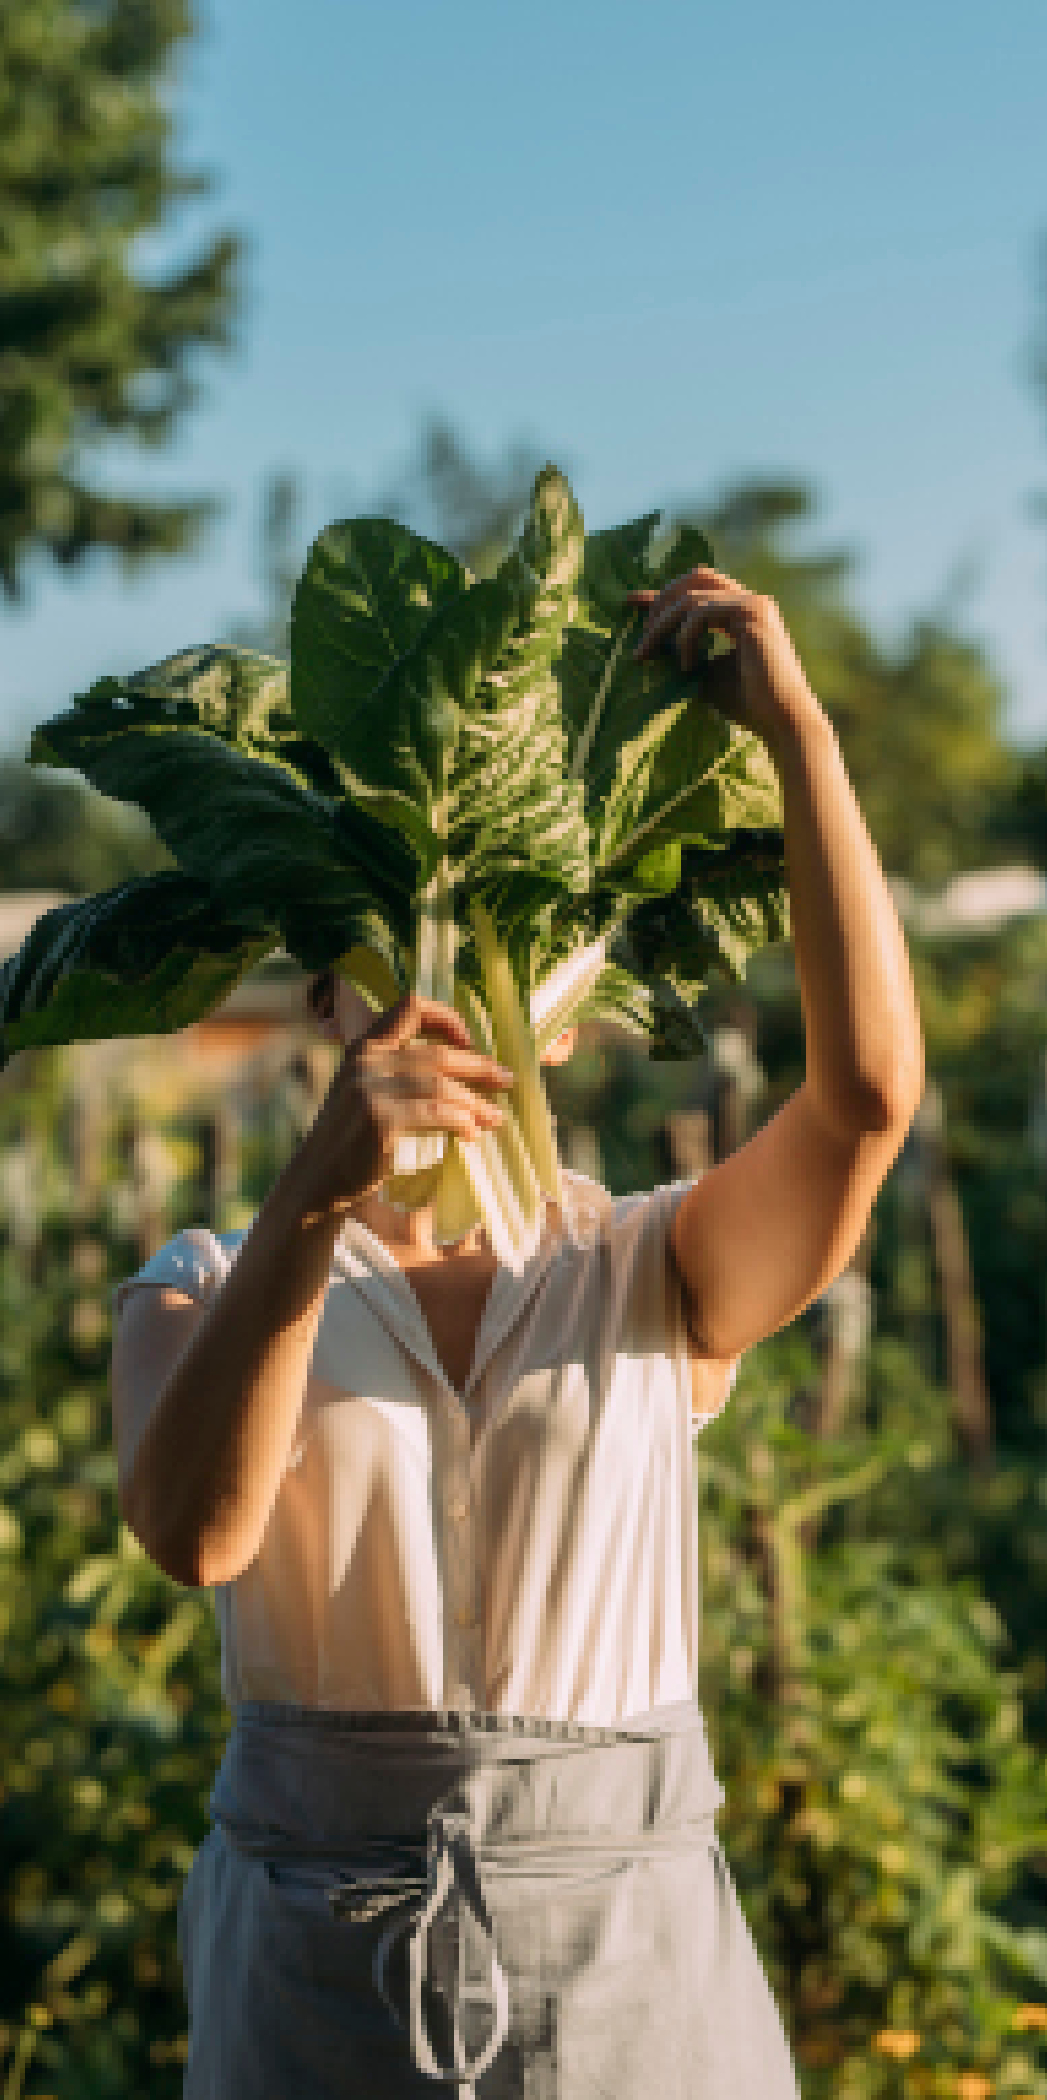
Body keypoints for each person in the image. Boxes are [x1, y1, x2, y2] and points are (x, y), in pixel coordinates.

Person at [110, 567, 923, 2097]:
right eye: (389, 974)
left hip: (633, 1952)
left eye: (498, 972)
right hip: (316, 1957)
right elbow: (194, 1536)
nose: (440, 1012)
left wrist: (799, 734)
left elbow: (867, 1105)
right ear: (327, 1002)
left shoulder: (654, 1263)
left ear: (564, 1017)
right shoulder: (205, 1277)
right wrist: (308, 1203)